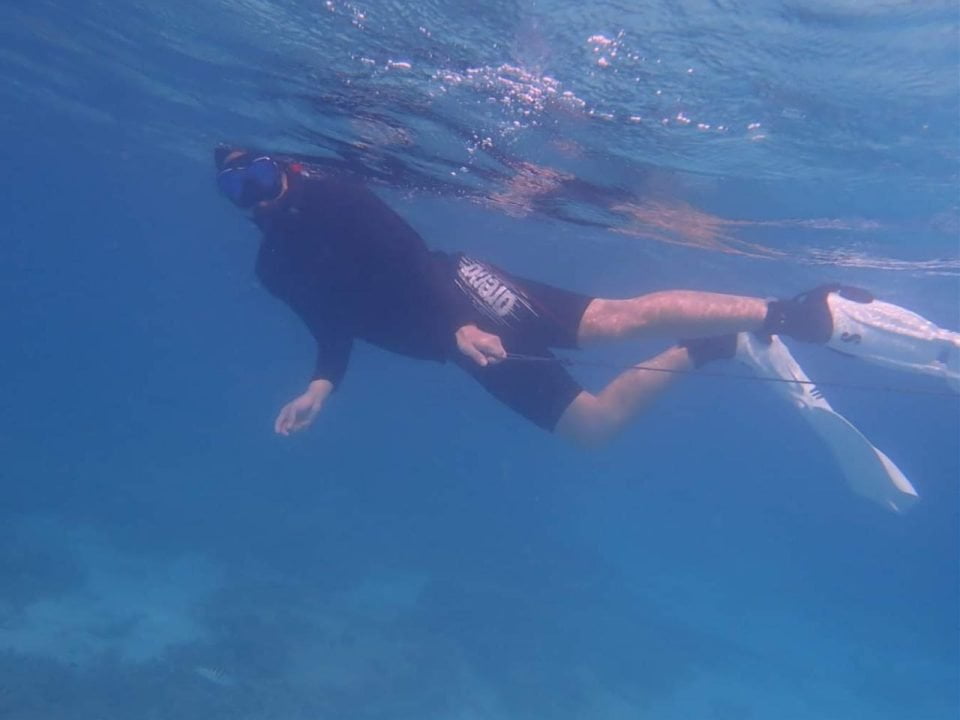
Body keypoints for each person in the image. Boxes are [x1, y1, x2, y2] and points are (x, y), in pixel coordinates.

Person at [211, 145, 935, 447]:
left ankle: (790, 312)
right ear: (236, 204)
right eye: (239, 187)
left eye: (263, 173)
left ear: (289, 171)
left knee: (617, 322)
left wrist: (455, 325)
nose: (260, 193)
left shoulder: (338, 195)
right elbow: (330, 327)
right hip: (456, 346)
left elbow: (404, 257)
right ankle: (713, 344)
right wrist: (319, 386)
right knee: (592, 430)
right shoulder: (273, 273)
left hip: (458, 292)